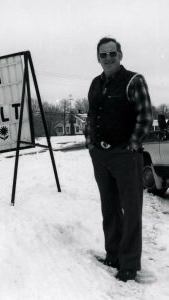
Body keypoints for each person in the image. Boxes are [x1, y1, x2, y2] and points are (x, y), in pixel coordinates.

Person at [85, 37, 153, 282]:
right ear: (98, 58)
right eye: (103, 55)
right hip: (101, 156)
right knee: (109, 207)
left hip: (126, 156)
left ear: (120, 54)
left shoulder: (134, 81)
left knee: (131, 209)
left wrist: (132, 145)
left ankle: (129, 264)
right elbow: (92, 115)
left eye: (112, 53)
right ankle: (113, 254)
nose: (108, 58)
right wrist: (90, 143)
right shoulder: (95, 84)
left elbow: (145, 116)